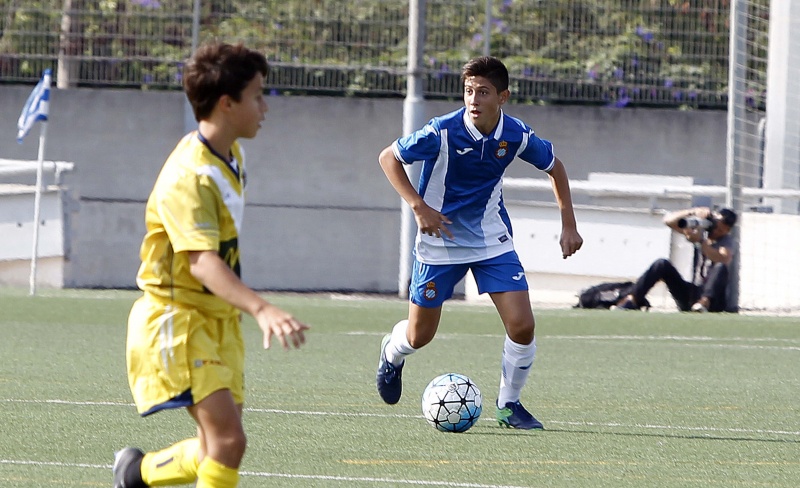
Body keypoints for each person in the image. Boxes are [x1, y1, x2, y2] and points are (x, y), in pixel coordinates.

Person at [113, 43, 310, 488]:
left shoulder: (231, 155)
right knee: (228, 442)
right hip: (178, 318)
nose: (265, 107)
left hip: (216, 318)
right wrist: (262, 308)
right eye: (257, 96)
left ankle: (136, 473)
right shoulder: (189, 176)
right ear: (227, 104)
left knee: (215, 447)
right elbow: (201, 261)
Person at [375, 56, 583, 430]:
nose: (473, 99)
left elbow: (555, 167)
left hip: (491, 240)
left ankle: (509, 405)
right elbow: (388, 158)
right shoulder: (441, 131)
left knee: (522, 326)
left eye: (483, 92)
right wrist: (419, 207)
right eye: (469, 91)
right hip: (440, 241)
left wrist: (569, 224)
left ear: (503, 97)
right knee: (420, 335)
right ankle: (392, 352)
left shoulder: (515, 134)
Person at [615, 206, 738, 313]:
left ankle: (704, 302)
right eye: (715, 227)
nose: (715, 231)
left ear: (727, 230)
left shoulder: (726, 241)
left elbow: (723, 258)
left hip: (713, 300)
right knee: (662, 264)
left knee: (720, 267)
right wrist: (693, 212)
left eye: (720, 230)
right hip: (692, 293)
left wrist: (701, 242)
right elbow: (668, 221)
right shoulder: (702, 230)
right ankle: (632, 299)